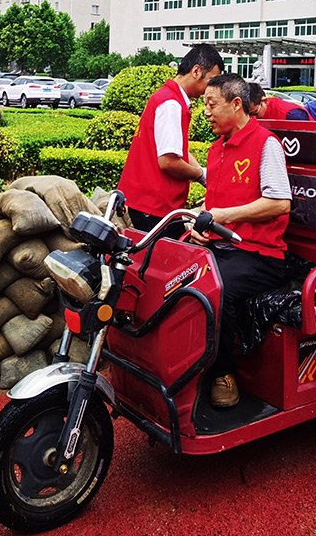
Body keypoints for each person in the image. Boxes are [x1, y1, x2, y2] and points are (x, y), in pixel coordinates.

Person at [189, 73, 292, 408]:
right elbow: (213, 204)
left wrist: (221, 217)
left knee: (213, 291)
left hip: (260, 255)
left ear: (236, 104)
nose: (205, 112)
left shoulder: (266, 144)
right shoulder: (216, 148)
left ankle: (224, 374)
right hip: (223, 248)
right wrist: (197, 222)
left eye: (210, 104)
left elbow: (279, 203)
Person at [117, 44, 224, 233]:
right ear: (196, 71)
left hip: (146, 201)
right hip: (154, 203)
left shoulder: (168, 98)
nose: (211, 88)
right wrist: (199, 174)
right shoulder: (171, 104)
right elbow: (168, 162)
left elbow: (178, 149)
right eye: (211, 80)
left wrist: (203, 173)